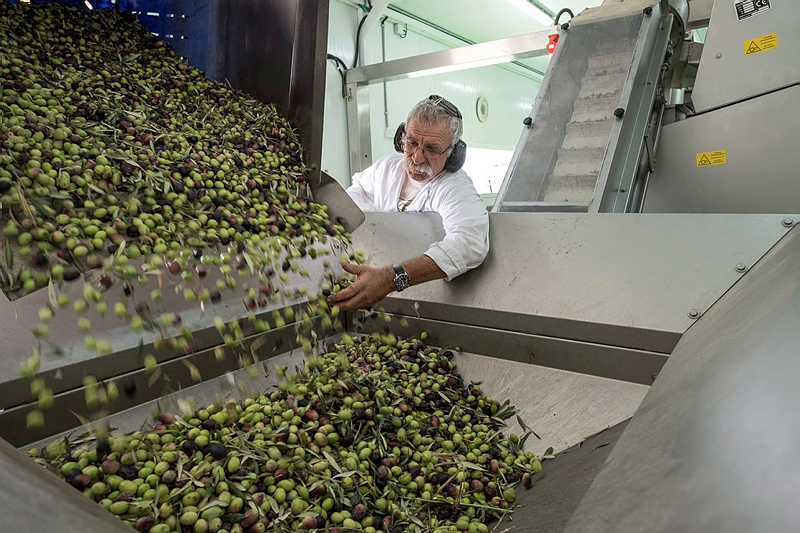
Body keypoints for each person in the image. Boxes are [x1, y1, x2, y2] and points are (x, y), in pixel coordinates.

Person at [328, 95, 490, 311]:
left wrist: (391, 279)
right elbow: (354, 201)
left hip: (432, 304)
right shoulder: (386, 168)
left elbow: (470, 243)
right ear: (401, 139)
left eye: (432, 149)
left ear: (453, 154)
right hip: (378, 296)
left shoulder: (456, 187)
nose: (417, 158)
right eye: (411, 143)